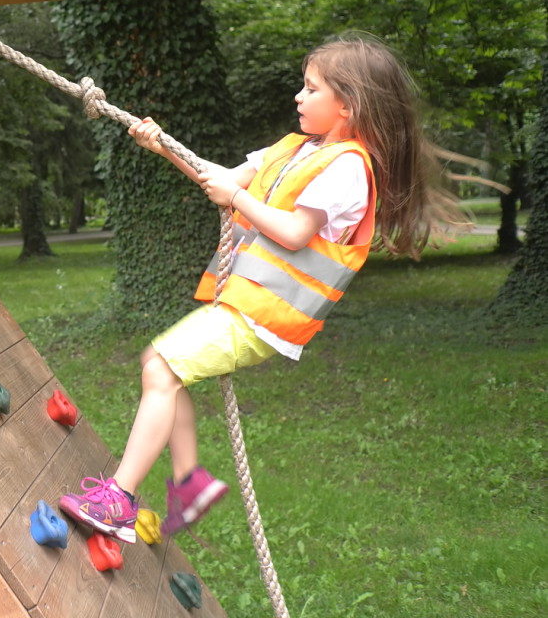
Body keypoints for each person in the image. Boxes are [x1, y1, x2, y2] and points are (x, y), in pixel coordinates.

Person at [58, 33, 461, 544]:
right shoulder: (294, 148)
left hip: (265, 317)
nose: (298, 96)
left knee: (161, 366)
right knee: (158, 365)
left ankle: (119, 498)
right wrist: (161, 147)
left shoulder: (349, 170)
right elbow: (220, 180)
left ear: (347, 106)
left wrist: (237, 199)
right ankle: (189, 482)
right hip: (242, 303)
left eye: (311, 88)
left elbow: (292, 231)